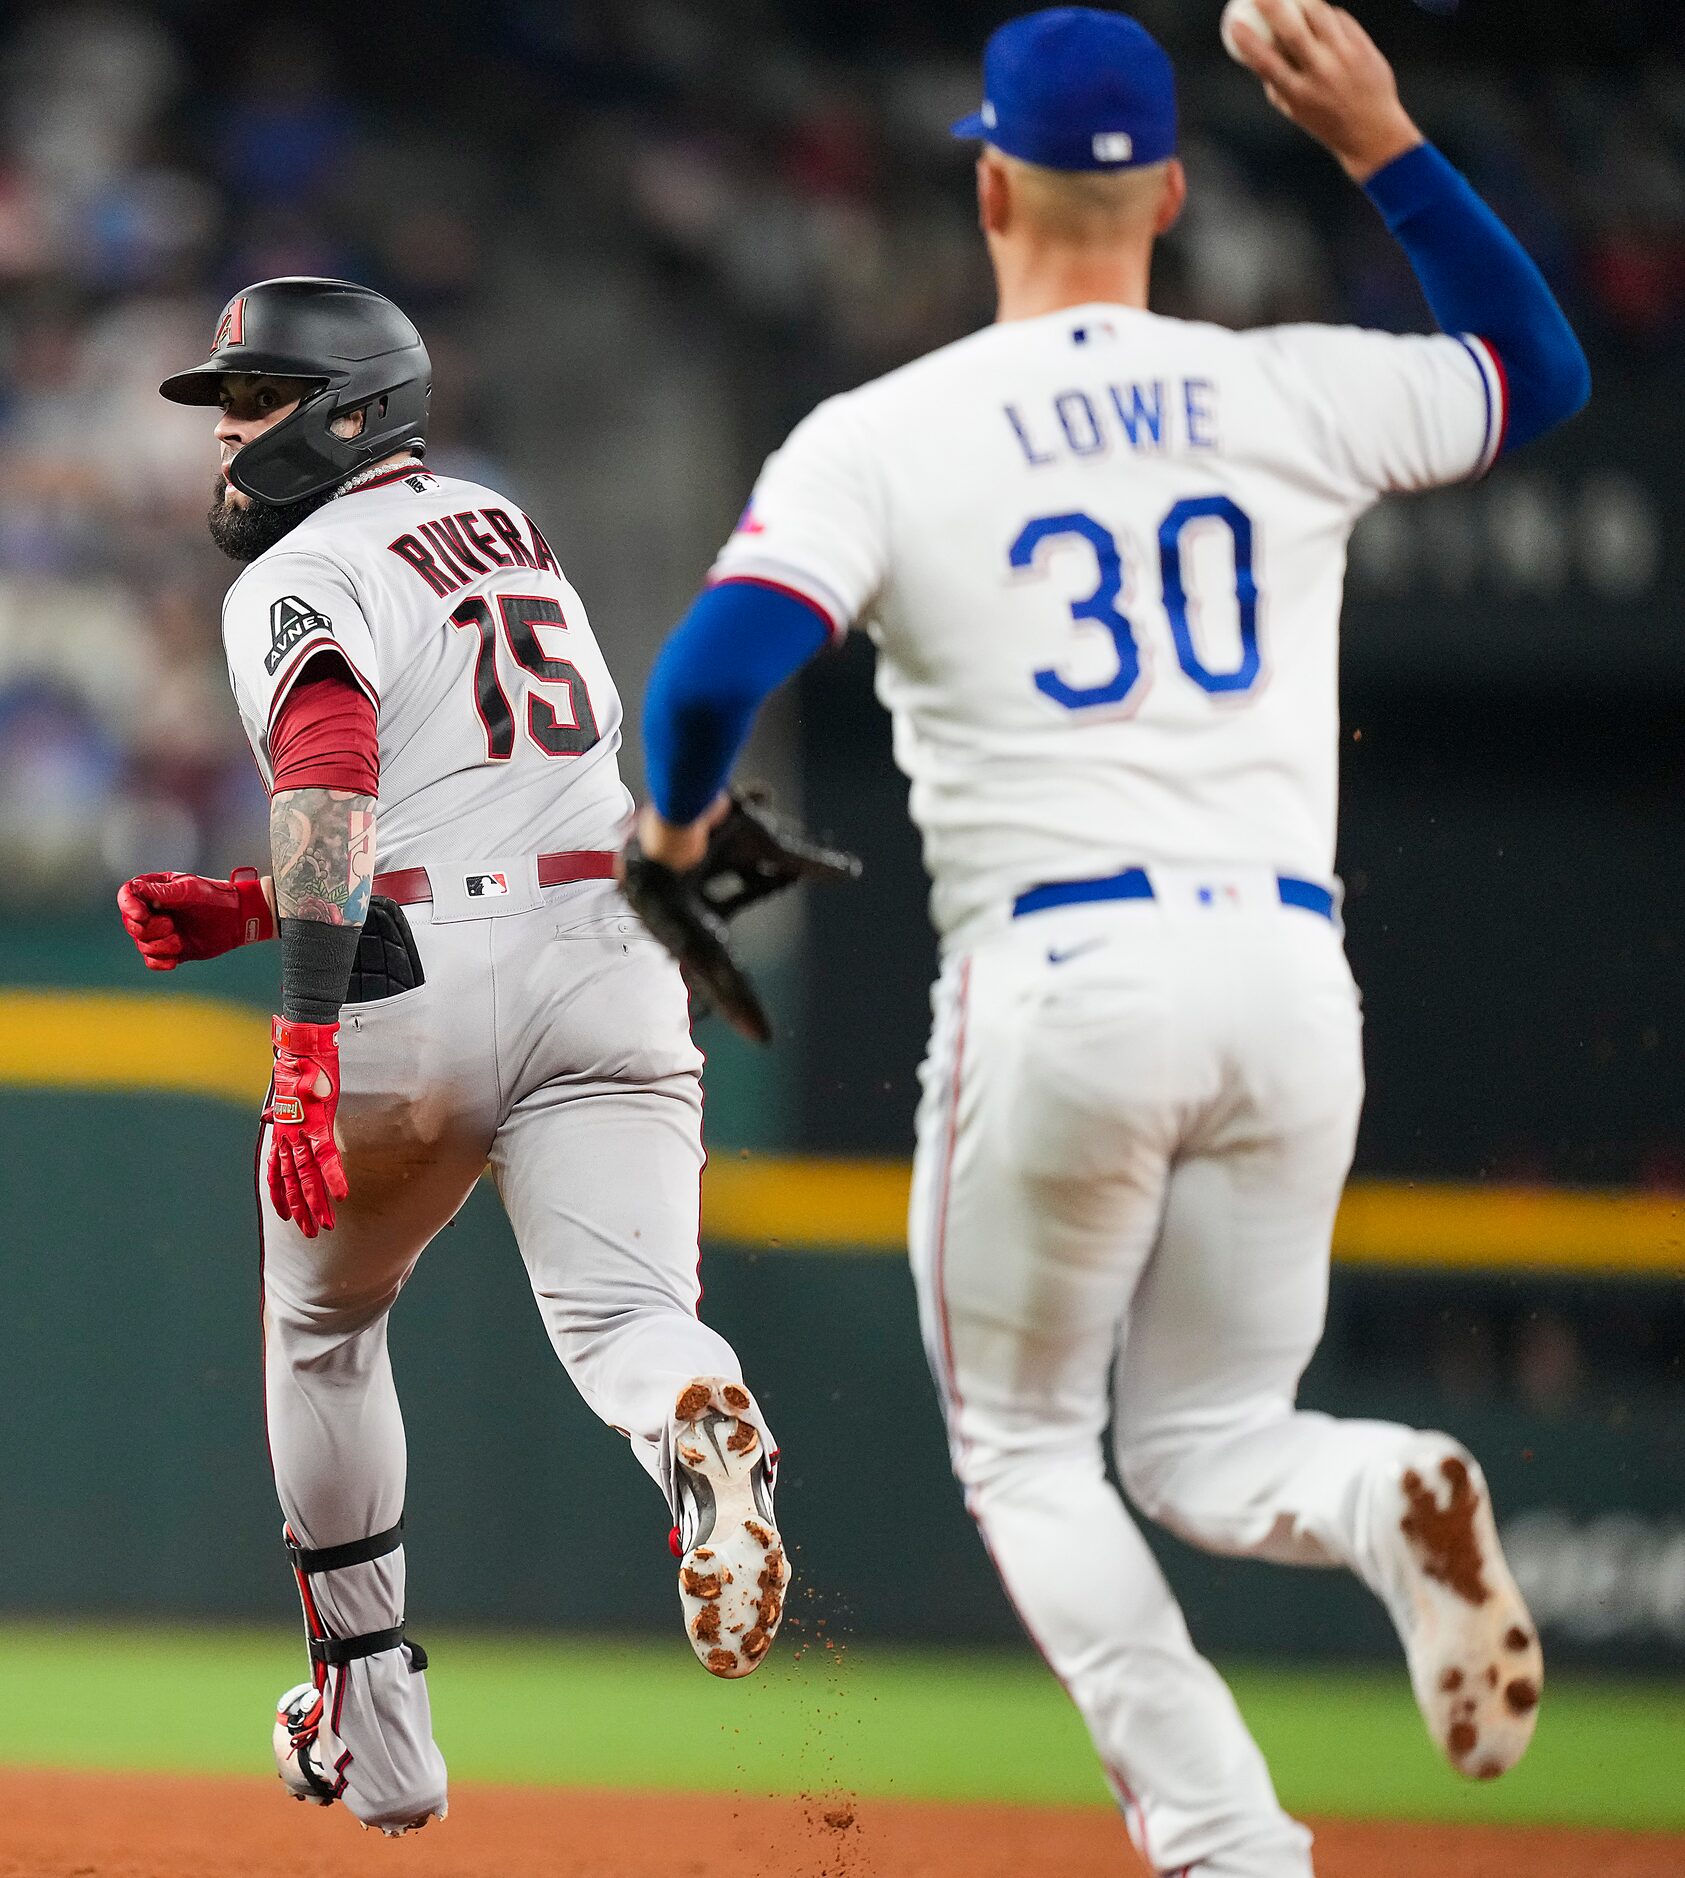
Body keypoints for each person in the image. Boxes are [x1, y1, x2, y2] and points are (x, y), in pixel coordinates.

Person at [630, 7, 1588, 1874]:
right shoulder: (1289, 387)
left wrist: (674, 823)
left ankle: (1227, 1837)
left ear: (985, 183)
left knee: (1028, 1450)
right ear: (1166, 190)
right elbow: (1532, 370)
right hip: (1289, 975)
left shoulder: (886, 433)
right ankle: (1390, 1486)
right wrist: (1384, 140)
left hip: (1062, 978)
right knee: (1216, 1438)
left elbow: (707, 673)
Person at [116, 277, 787, 1838]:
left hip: (406, 982)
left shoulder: (305, 566)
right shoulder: (505, 527)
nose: (228, 436)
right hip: (614, 954)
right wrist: (237, 905)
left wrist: (295, 1037)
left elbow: (343, 767)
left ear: (351, 407)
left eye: (254, 399)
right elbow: (483, 785)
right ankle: (698, 1412)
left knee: (324, 1329)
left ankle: (377, 1729)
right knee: (633, 1315)